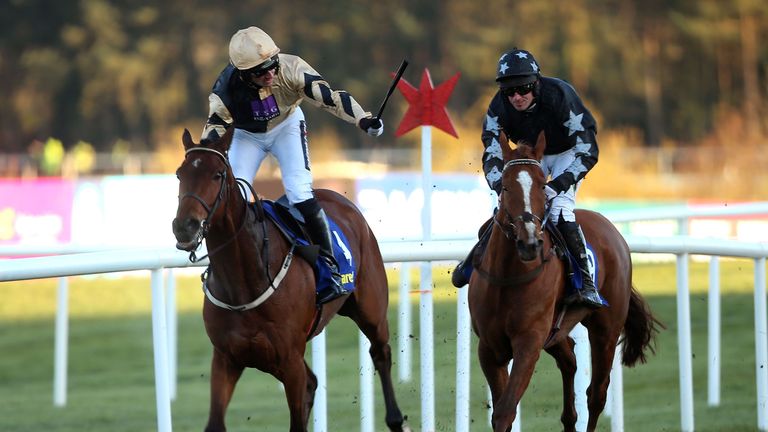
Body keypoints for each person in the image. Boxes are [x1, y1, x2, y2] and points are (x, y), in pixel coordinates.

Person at [201, 26, 384, 304]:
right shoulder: (225, 89)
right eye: (261, 71)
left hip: (286, 126)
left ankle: (330, 267)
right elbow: (214, 128)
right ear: (243, 74)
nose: (270, 73)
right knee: (234, 196)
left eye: (272, 64)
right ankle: (223, 268)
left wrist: (362, 118)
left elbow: (330, 98)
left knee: (299, 191)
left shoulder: (293, 68)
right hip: (246, 136)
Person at [451, 47, 605, 309]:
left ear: (536, 83)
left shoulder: (560, 95)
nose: (516, 97)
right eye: (509, 91)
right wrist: (501, 186)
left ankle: (585, 283)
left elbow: (588, 150)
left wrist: (558, 184)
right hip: (529, 155)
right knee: (507, 208)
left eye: (523, 89)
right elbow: (492, 153)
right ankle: (472, 261)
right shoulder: (498, 107)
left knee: (559, 209)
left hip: (568, 152)